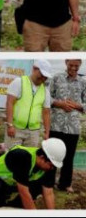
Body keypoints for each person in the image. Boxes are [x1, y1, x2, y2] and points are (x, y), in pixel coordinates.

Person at [0, 138, 66, 209]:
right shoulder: (22, 156)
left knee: (38, 186)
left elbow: (49, 193)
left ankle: (13, 207)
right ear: (42, 157)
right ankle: (1, 206)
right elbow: (23, 191)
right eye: (51, 165)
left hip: (12, 182)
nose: (52, 168)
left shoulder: (49, 166)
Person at [49, 59, 86, 193]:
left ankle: (65, 184)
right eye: (71, 65)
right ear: (66, 62)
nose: (74, 68)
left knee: (69, 157)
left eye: (76, 66)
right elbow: (47, 98)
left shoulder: (83, 82)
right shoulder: (56, 78)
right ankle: (49, 182)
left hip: (73, 126)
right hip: (56, 125)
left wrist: (77, 105)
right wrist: (60, 104)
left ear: (80, 64)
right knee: (52, 155)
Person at [5, 60, 52, 149]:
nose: (43, 78)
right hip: (16, 128)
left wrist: (47, 132)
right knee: (12, 157)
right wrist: (10, 125)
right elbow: (9, 103)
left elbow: (46, 112)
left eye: (45, 77)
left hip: (34, 132)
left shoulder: (45, 91)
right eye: (41, 75)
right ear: (34, 69)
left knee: (29, 158)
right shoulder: (19, 82)